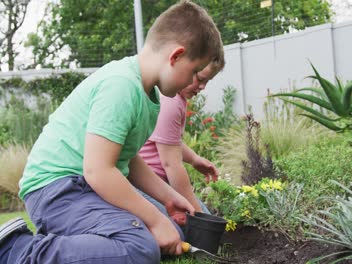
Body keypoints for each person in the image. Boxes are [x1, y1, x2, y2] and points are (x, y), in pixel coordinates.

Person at [0, 1, 223, 264]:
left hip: (83, 187)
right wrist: (153, 219)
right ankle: (16, 249)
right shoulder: (121, 86)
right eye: (196, 72)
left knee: (171, 230)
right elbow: (99, 171)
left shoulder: (147, 94)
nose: (194, 83)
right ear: (175, 56)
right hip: (57, 190)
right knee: (140, 247)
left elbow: (127, 159)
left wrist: (168, 197)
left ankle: (74, 240)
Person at [138, 55, 225, 216]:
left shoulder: (176, 99)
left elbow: (170, 142)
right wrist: (198, 217)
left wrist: (194, 159)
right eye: (199, 79)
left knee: (202, 213)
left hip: (158, 182)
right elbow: (171, 165)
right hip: (147, 185)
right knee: (186, 224)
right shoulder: (170, 102)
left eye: (207, 82)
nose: (202, 87)